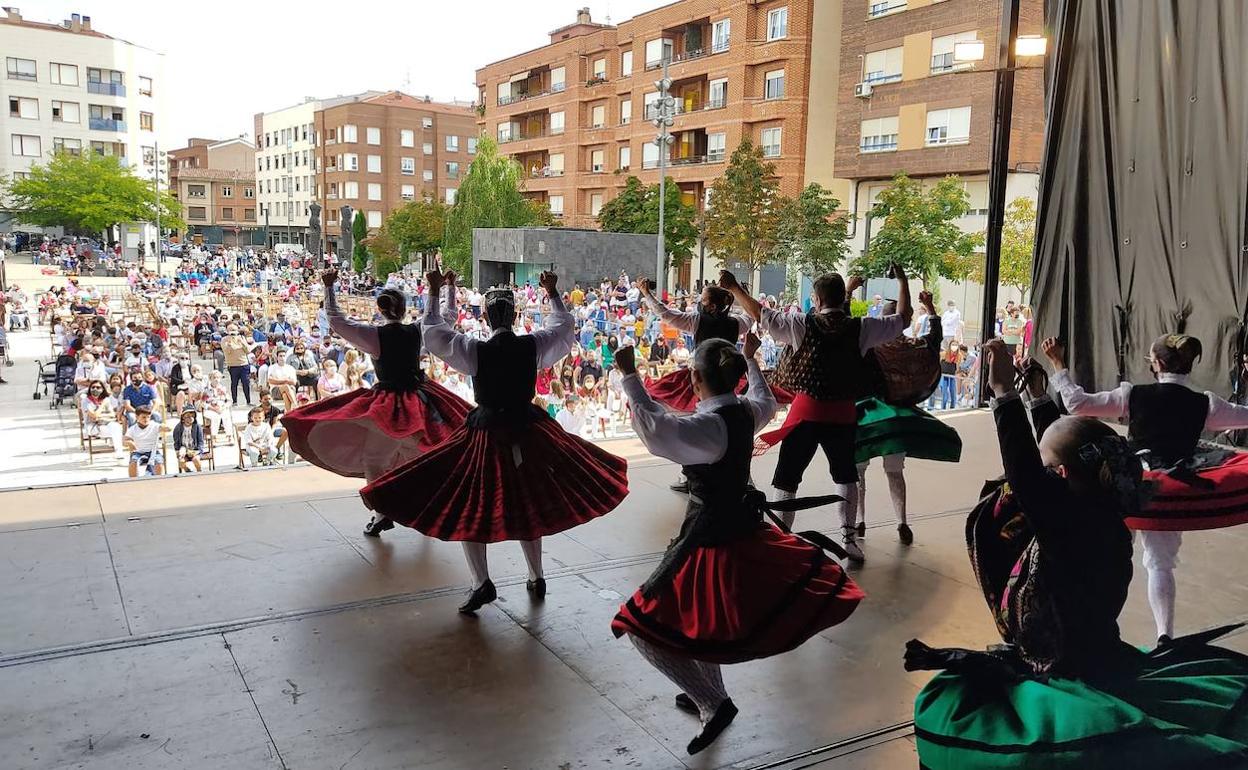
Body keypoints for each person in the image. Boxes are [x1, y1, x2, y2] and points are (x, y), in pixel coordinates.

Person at [905, 338, 1248, 770]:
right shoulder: (1103, 506)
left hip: (1069, 669)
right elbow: (1068, 453)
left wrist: (1004, 396)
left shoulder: (1064, 525)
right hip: (1102, 652)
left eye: (1047, 467)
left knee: (949, 710)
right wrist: (1038, 400)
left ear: (1058, 475)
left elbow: (1029, 475)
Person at [611, 336, 864, 755]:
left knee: (640, 626)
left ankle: (713, 701)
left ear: (694, 377)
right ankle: (706, 693)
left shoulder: (709, 428)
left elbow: (658, 431)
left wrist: (630, 377)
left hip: (709, 535)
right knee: (704, 617)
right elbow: (763, 398)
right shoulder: (746, 411)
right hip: (740, 526)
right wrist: (752, 358)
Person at [360, 270, 629, 614]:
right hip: (528, 429)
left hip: (487, 434)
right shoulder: (532, 345)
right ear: (516, 316)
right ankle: (536, 574)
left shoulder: (474, 350)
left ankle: (481, 582)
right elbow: (564, 327)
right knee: (527, 502)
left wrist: (432, 291)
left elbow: (433, 331)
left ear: (485, 317)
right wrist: (552, 292)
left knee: (470, 507)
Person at [1043, 333, 1248, 643]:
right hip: (1171, 488)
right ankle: (1164, 636)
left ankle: (1093, 627)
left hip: (1131, 481)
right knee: (1159, 563)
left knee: (1107, 552)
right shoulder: (1204, 404)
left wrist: (1058, 363)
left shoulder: (1134, 395)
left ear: (1156, 364)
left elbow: (1077, 404)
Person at [721, 267, 912, 562]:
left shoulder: (800, 324)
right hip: (843, 416)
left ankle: (784, 537)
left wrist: (734, 288)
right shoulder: (861, 327)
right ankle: (849, 540)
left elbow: (761, 314)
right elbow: (903, 318)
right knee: (846, 477)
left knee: (787, 479)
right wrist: (901, 280)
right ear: (840, 297)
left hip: (806, 413)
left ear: (818, 299)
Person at [281, 270, 472, 537]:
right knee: (421, 452)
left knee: (375, 458)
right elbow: (445, 318)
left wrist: (329, 287)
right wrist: (445, 287)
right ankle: (422, 503)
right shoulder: (417, 331)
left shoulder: (374, 337)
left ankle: (383, 513)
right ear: (405, 309)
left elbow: (337, 321)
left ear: (381, 309)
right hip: (421, 399)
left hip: (390, 405)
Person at [853, 294, 962, 545]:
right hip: (898, 420)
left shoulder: (870, 348)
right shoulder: (913, 346)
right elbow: (935, 339)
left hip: (869, 416)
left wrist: (848, 292)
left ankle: (858, 521)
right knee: (894, 471)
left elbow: (845, 325)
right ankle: (901, 522)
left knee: (858, 470)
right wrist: (932, 307)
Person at [79, 380, 125, 462]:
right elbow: (93, 416)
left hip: (106, 423)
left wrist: (100, 416)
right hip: (93, 426)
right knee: (114, 430)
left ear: (102, 389)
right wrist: (103, 405)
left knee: (116, 426)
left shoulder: (105, 399)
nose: (95, 389)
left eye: (98, 387)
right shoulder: (86, 400)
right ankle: (115, 445)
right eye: (93, 387)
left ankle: (119, 451)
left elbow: (112, 415)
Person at [124, 406, 164, 477]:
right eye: (143, 417)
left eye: (148, 417)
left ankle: (158, 480)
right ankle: (134, 481)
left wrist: (164, 427)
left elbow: (165, 428)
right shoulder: (133, 429)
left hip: (153, 451)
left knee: (159, 462)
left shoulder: (154, 425)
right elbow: (124, 441)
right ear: (137, 417)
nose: (146, 419)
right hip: (138, 452)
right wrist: (130, 443)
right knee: (133, 463)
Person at [221, 324, 251, 405]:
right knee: (234, 383)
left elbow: (248, 350)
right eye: (230, 330)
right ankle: (234, 401)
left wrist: (242, 343)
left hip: (244, 364)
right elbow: (227, 351)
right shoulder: (224, 340)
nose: (233, 332)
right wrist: (230, 344)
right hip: (233, 365)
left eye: (234, 330)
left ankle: (248, 401)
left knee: (246, 382)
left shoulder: (241, 338)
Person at [172, 407, 207, 473]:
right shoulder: (178, 428)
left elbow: (201, 442)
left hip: (195, 450)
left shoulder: (197, 426)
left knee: (196, 460)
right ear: (183, 418)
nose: (190, 418)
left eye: (192, 416)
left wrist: (198, 451)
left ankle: (200, 472)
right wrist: (177, 451)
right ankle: (188, 471)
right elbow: (176, 441)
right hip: (183, 450)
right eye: (187, 416)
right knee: (181, 462)